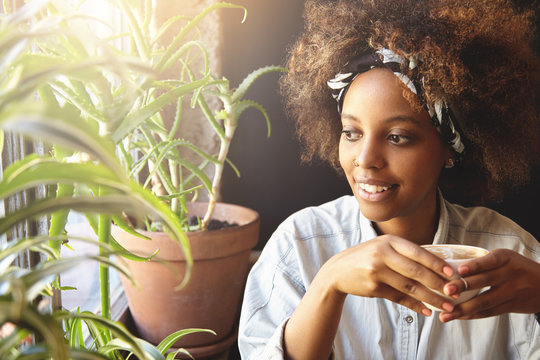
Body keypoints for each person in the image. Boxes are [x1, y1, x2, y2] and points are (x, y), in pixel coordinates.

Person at [238, 0, 540, 359]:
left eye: (397, 137)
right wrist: (329, 283)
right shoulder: (300, 249)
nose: (365, 159)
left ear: (450, 148)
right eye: (351, 132)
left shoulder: (511, 255)